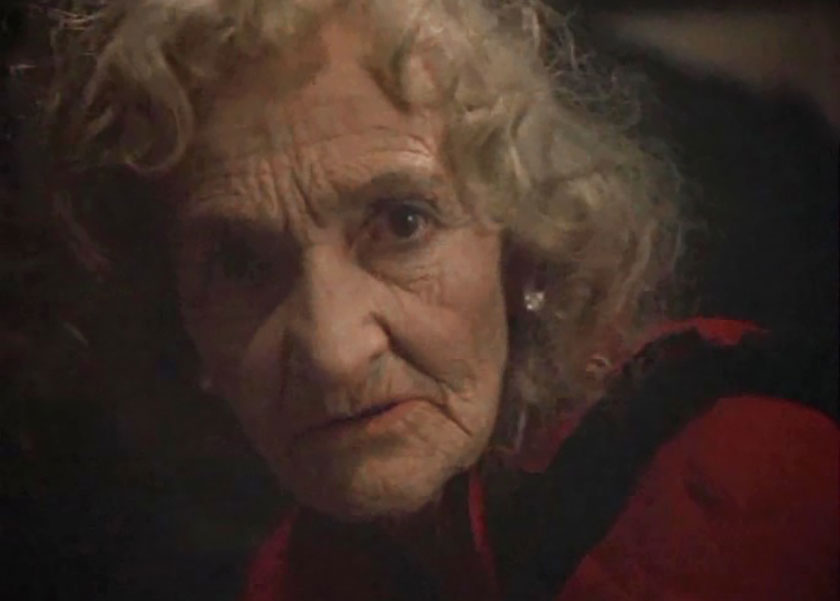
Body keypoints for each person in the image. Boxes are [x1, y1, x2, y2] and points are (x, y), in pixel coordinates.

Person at [21, 0, 837, 599]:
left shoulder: (744, 487)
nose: (336, 352)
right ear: (178, 326)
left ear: (522, 245)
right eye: (237, 262)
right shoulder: (293, 575)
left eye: (403, 223)